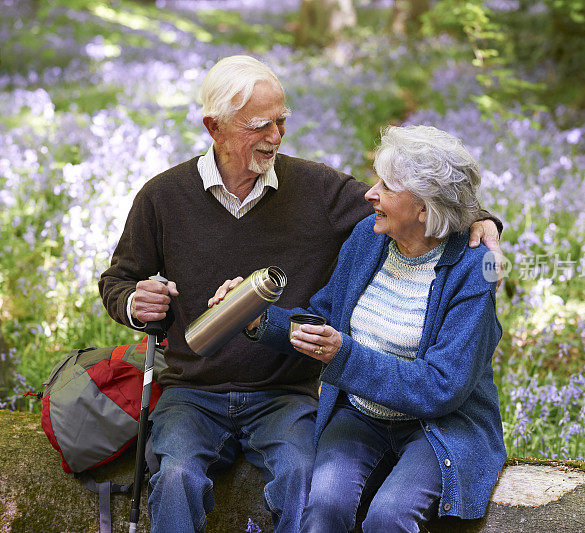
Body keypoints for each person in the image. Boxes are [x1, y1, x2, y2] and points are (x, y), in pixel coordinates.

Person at [99, 55, 503, 532]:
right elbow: (118, 280)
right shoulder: (163, 196)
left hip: (283, 394)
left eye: (282, 121)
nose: (276, 135)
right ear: (215, 127)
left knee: (302, 478)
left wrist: (478, 218)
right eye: (260, 125)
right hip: (193, 390)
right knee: (177, 476)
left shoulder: (320, 192)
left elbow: (426, 201)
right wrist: (133, 301)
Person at [212, 125, 506, 531]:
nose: (371, 193)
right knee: (325, 507)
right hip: (361, 413)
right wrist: (261, 318)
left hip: (439, 425)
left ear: (424, 207)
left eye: (387, 186)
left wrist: (343, 354)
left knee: (389, 517)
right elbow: (326, 319)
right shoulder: (367, 238)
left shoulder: (474, 272)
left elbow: (442, 387)